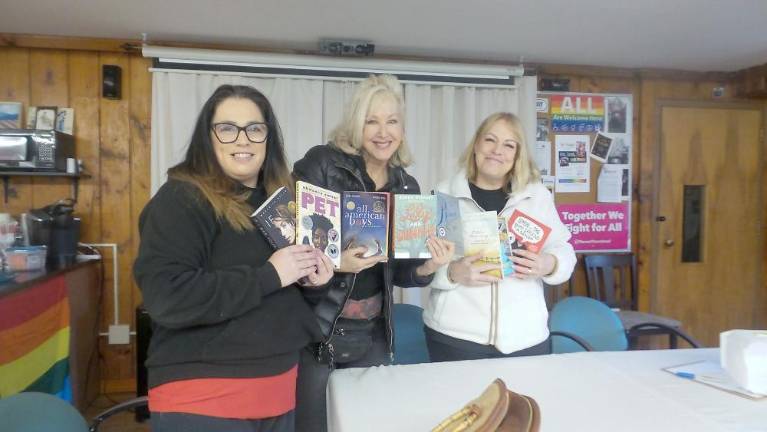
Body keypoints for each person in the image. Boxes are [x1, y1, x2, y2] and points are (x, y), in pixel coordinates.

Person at [133, 84, 334, 432]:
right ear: (207, 138)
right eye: (227, 128)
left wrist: (311, 280)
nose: (243, 139)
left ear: (268, 138)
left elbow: (283, 297)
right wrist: (270, 275)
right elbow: (167, 298)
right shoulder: (181, 199)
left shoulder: (280, 203)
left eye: (255, 129)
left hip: (278, 392)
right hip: (204, 398)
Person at [292, 74, 455, 431]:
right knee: (313, 425)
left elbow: (400, 272)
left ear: (402, 129)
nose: (383, 132)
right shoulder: (322, 164)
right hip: (320, 329)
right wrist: (338, 263)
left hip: (373, 332)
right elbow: (295, 244)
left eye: (392, 121)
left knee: (368, 423)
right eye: (372, 121)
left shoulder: (406, 185)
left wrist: (429, 264)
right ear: (356, 124)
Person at [424, 112, 576, 362]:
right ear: (476, 145)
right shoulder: (444, 193)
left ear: (518, 155)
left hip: (526, 338)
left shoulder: (536, 196)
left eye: (509, 145)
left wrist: (548, 264)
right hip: (454, 336)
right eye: (490, 140)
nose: (497, 150)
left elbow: (564, 250)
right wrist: (452, 273)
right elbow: (422, 264)